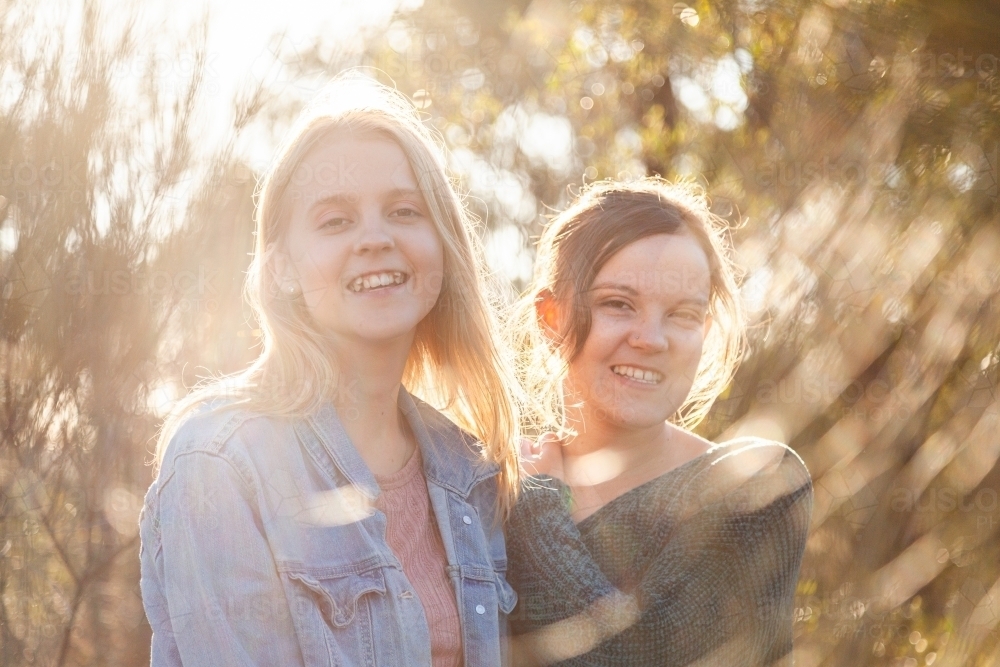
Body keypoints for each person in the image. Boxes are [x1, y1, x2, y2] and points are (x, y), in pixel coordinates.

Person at [138, 76, 521, 667]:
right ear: (284, 267)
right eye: (335, 221)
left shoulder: (469, 471)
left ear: (442, 244)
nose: (375, 238)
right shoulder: (220, 464)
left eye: (403, 211)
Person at [505, 178, 813, 666]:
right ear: (552, 317)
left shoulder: (755, 488)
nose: (651, 338)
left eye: (682, 315)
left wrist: (541, 516)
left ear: (704, 332)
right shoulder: (486, 486)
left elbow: (643, 655)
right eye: (618, 304)